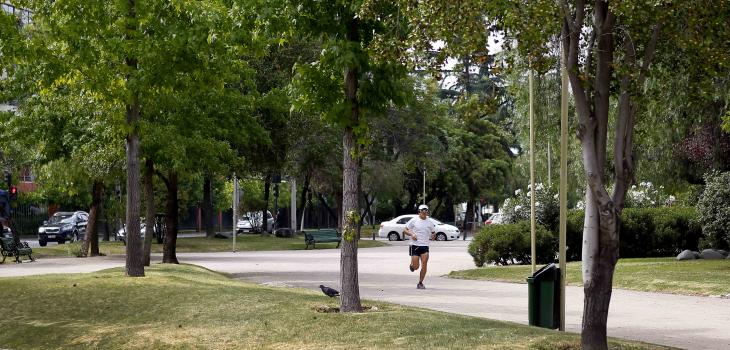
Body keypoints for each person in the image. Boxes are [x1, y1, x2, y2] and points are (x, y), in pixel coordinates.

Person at [403, 204, 436, 289]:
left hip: (425, 246)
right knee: (416, 267)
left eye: (426, 211)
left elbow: (433, 233)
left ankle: (420, 283)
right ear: (419, 212)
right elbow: (405, 230)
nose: (424, 212)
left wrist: (433, 236)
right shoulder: (414, 220)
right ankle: (412, 265)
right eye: (423, 211)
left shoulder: (430, 222)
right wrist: (412, 234)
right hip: (415, 245)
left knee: (424, 264)